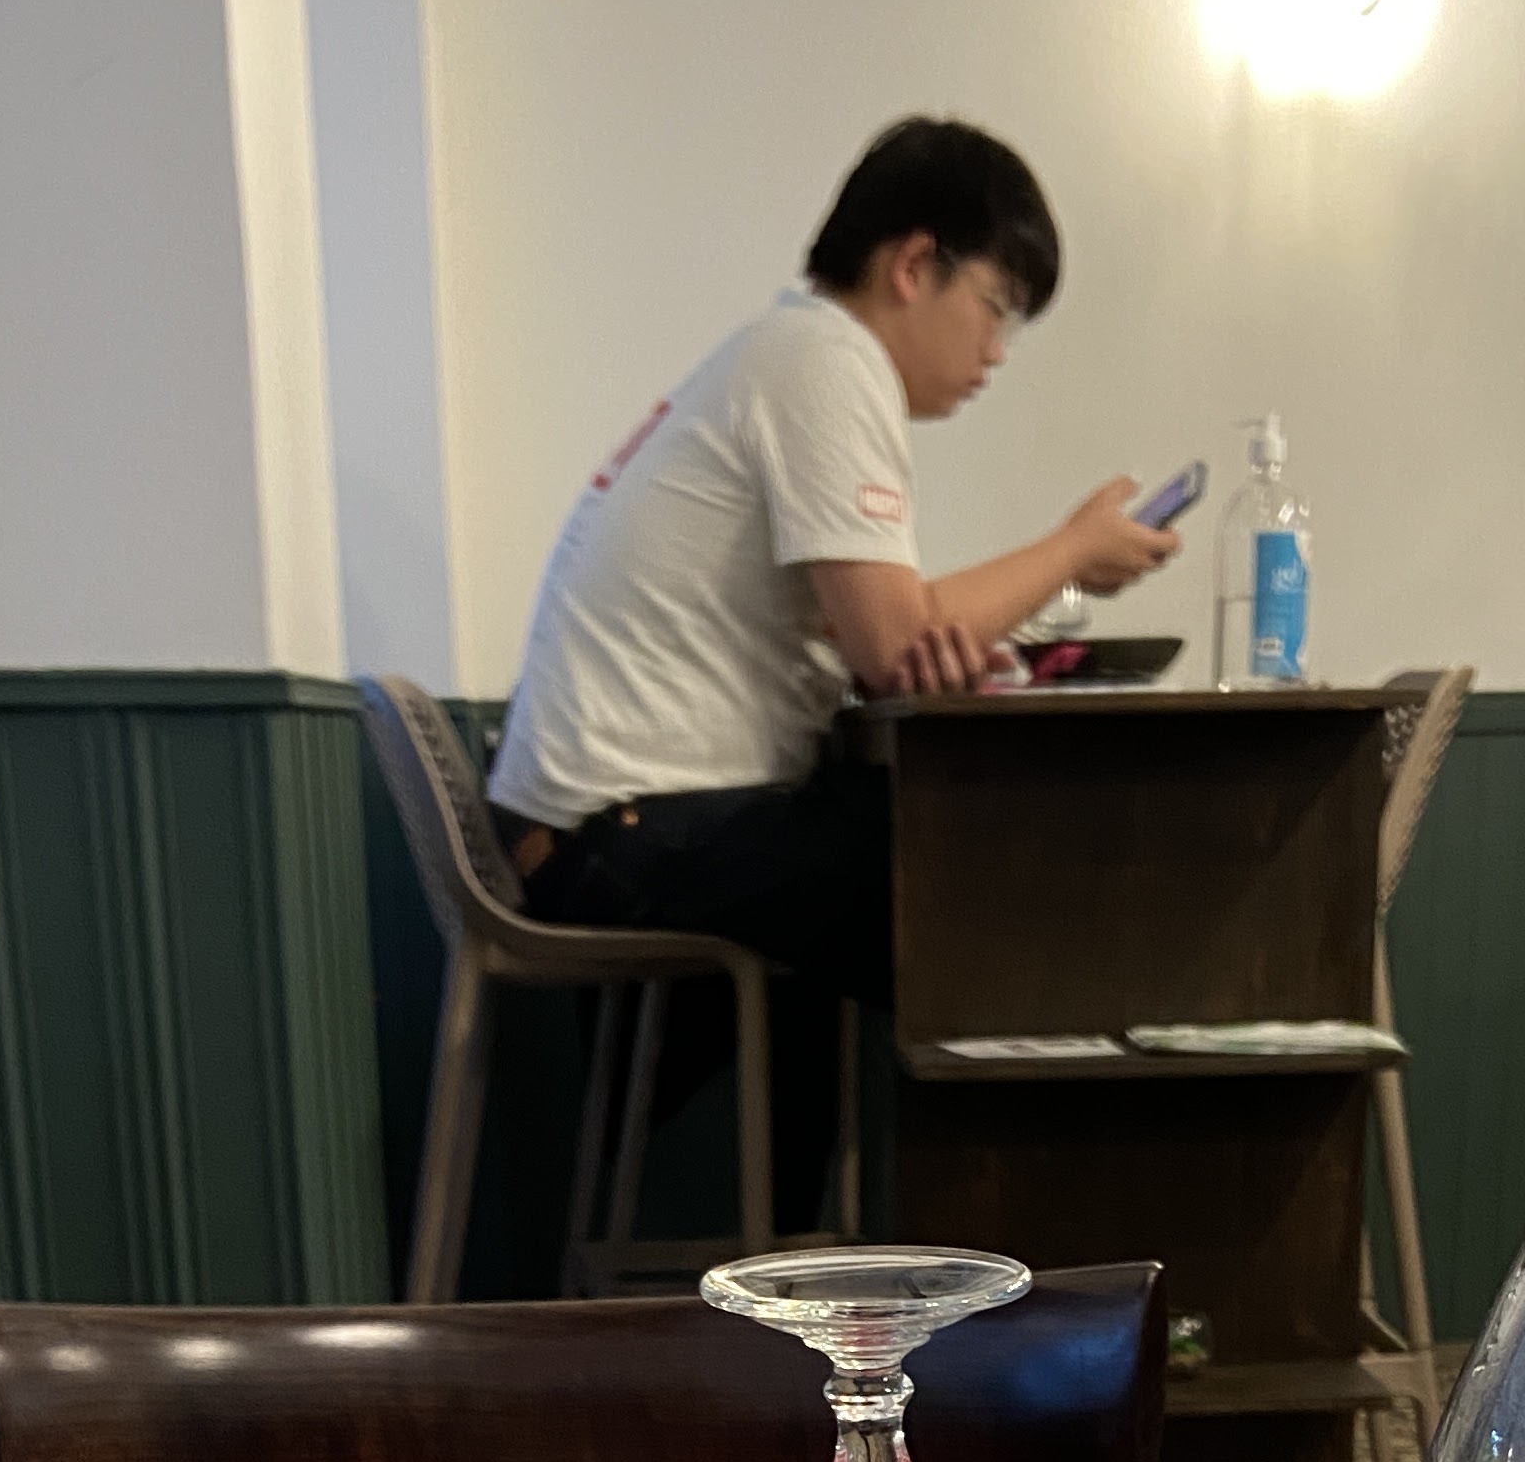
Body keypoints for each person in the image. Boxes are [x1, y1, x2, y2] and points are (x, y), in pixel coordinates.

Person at [488, 116, 1179, 1023]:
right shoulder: (827, 361)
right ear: (914, 266)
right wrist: (1073, 551)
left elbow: (884, 638)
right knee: (988, 850)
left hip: (595, 826)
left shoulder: (785, 352)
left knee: (935, 835)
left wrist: (936, 641)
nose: (997, 351)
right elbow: (898, 643)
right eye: (997, 306)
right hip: (618, 833)